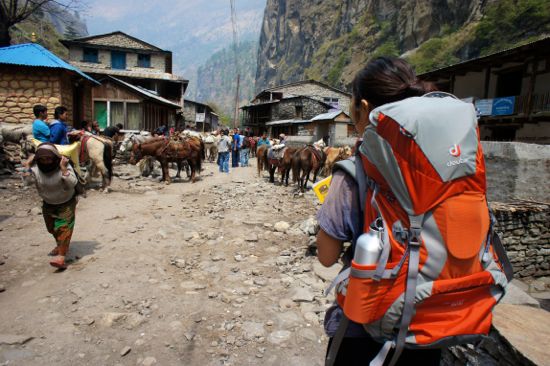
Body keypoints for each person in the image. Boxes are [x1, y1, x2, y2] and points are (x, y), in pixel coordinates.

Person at [316, 57, 441, 365]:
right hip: (430, 325)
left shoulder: (355, 171)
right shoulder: (446, 164)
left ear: (364, 108)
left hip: (367, 330)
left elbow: (326, 256)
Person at [25, 143, 78, 270]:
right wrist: (27, 166)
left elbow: (73, 183)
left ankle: (61, 256)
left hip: (66, 202)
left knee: (64, 228)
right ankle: (61, 245)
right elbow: (27, 182)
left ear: (55, 157)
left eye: (49, 159)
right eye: (42, 159)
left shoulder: (63, 165)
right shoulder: (35, 169)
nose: (46, 162)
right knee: (52, 228)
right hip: (48, 203)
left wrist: (64, 169)